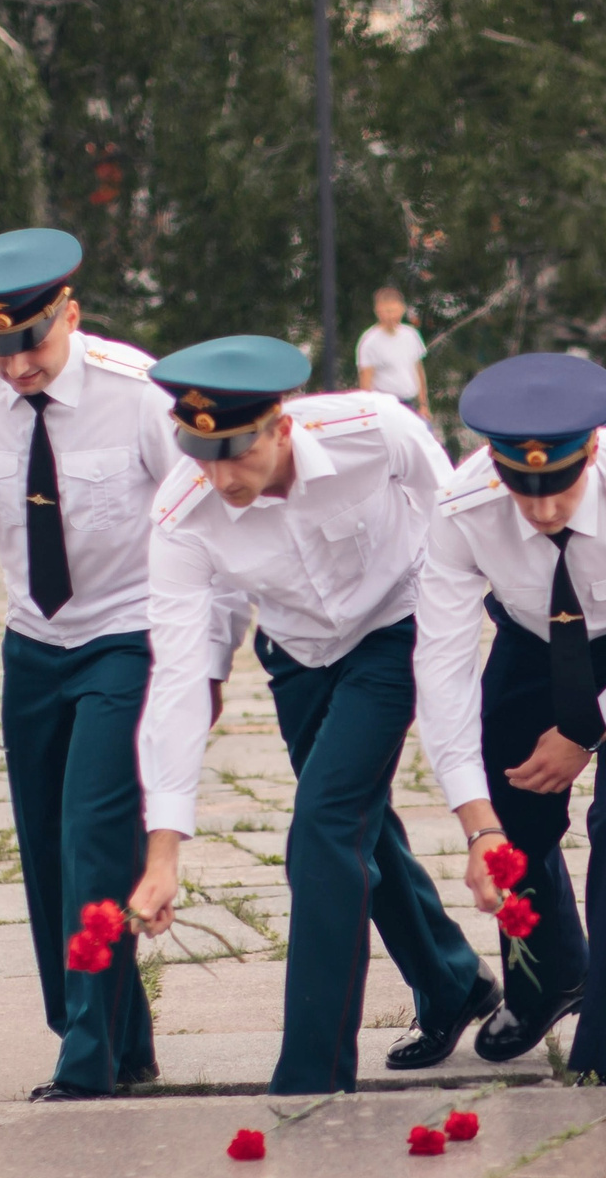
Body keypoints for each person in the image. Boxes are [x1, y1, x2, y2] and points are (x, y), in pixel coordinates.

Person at [127, 336, 491, 1093]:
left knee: (322, 826)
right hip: (297, 653)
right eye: (203, 453)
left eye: (238, 451)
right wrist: (163, 852)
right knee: (361, 826)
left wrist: (457, 638)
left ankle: (314, 1071)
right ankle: (453, 981)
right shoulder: (182, 511)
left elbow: (456, 514)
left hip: (396, 626)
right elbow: (175, 679)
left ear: (281, 425)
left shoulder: (373, 429)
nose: (222, 476)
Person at [0, 228, 217, 1100]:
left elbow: (199, 526)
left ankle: (88, 1057)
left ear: (69, 315)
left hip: (129, 635)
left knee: (91, 837)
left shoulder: (138, 393)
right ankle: (119, 1034)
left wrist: (207, 663)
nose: (16, 369)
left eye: (32, 344)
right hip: (37, 643)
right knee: (46, 849)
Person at [417, 353, 606, 1083]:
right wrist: (476, 821)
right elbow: (442, 663)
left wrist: (588, 730)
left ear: (592, 450)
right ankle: (548, 979)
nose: (544, 510)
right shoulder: (461, 506)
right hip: (533, 639)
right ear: (495, 466)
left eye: (558, 487)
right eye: (522, 492)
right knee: (514, 817)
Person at [357, 287, 427, 416]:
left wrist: (423, 404)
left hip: (410, 403)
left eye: (394, 311)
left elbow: (418, 370)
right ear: (378, 312)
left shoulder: (411, 335)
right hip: (386, 406)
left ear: (402, 309)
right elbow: (366, 381)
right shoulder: (369, 342)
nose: (391, 316)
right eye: (387, 312)